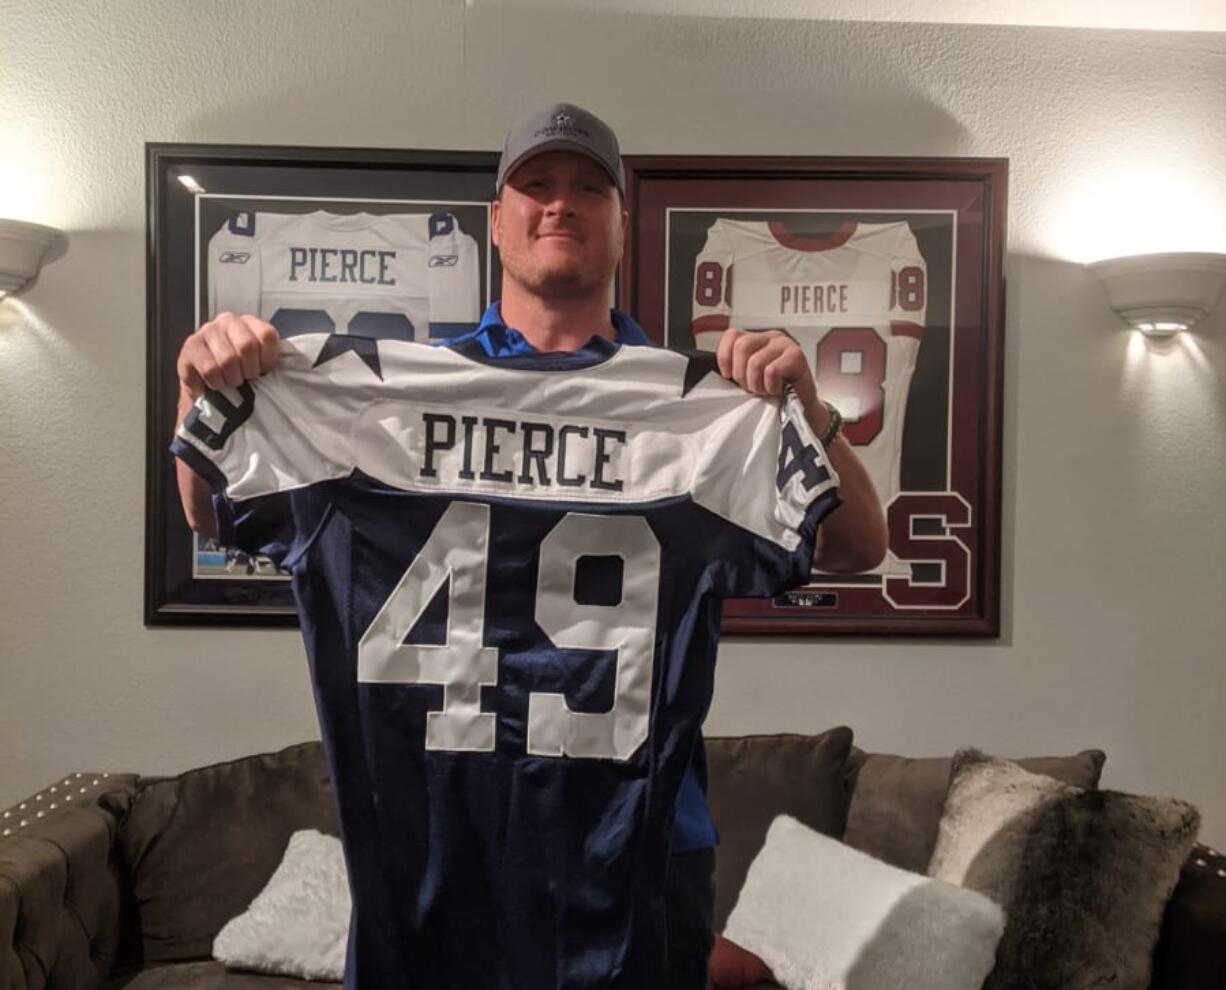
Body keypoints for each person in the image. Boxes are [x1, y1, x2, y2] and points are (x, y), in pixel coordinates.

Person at [175, 102, 886, 989]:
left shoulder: (703, 413)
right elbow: (211, 514)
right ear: (496, 220)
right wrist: (206, 389)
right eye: (537, 186)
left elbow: (859, 546)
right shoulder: (377, 399)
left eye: (590, 188)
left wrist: (809, 413)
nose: (562, 205)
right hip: (439, 835)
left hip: (639, 842)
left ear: (623, 226)